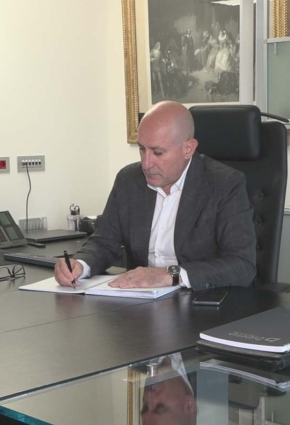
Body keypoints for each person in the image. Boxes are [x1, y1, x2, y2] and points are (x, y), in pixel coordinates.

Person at [54, 100, 257, 290]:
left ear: (188, 149)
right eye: (142, 149)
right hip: (141, 301)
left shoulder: (224, 184)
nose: (146, 164)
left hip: (200, 300)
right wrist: (80, 265)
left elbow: (242, 265)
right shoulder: (129, 180)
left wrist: (170, 275)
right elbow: (104, 242)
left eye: (158, 152)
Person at [140, 353, 197, 425]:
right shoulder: (212, 367)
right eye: (160, 407)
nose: (149, 395)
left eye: (145, 406)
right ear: (189, 405)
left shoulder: (131, 359)